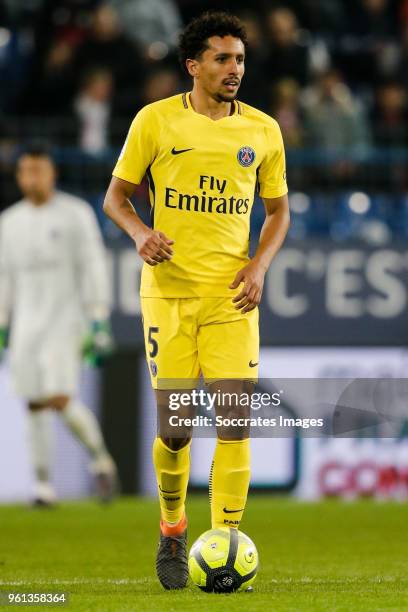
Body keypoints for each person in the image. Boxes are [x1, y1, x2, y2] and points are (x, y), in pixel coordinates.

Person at [103, 11, 289, 590]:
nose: (235, 69)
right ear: (193, 66)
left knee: (235, 422)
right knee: (177, 430)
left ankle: (227, 539)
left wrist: (259, 264)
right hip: (171, 295)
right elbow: (115, 198)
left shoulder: (262, 131)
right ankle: (172, 527)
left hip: (233, 296)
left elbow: (279, 211)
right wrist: (141, 234)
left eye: (239, 59)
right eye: (222, 59)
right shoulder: (155, 122)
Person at [0, 143, 117, 506]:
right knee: (33, 403)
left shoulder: (75, 214)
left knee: (60, 398)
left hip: (66, 320)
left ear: (52, 174)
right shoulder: (10, 221)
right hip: (27, 325)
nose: (33, 178)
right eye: (27, 171)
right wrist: (3, 322)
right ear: (19, 176)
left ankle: (100, 460)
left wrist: (98, 320)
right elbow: (4, 277)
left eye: (40, 170)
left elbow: (93, 266)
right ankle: (43, 486)